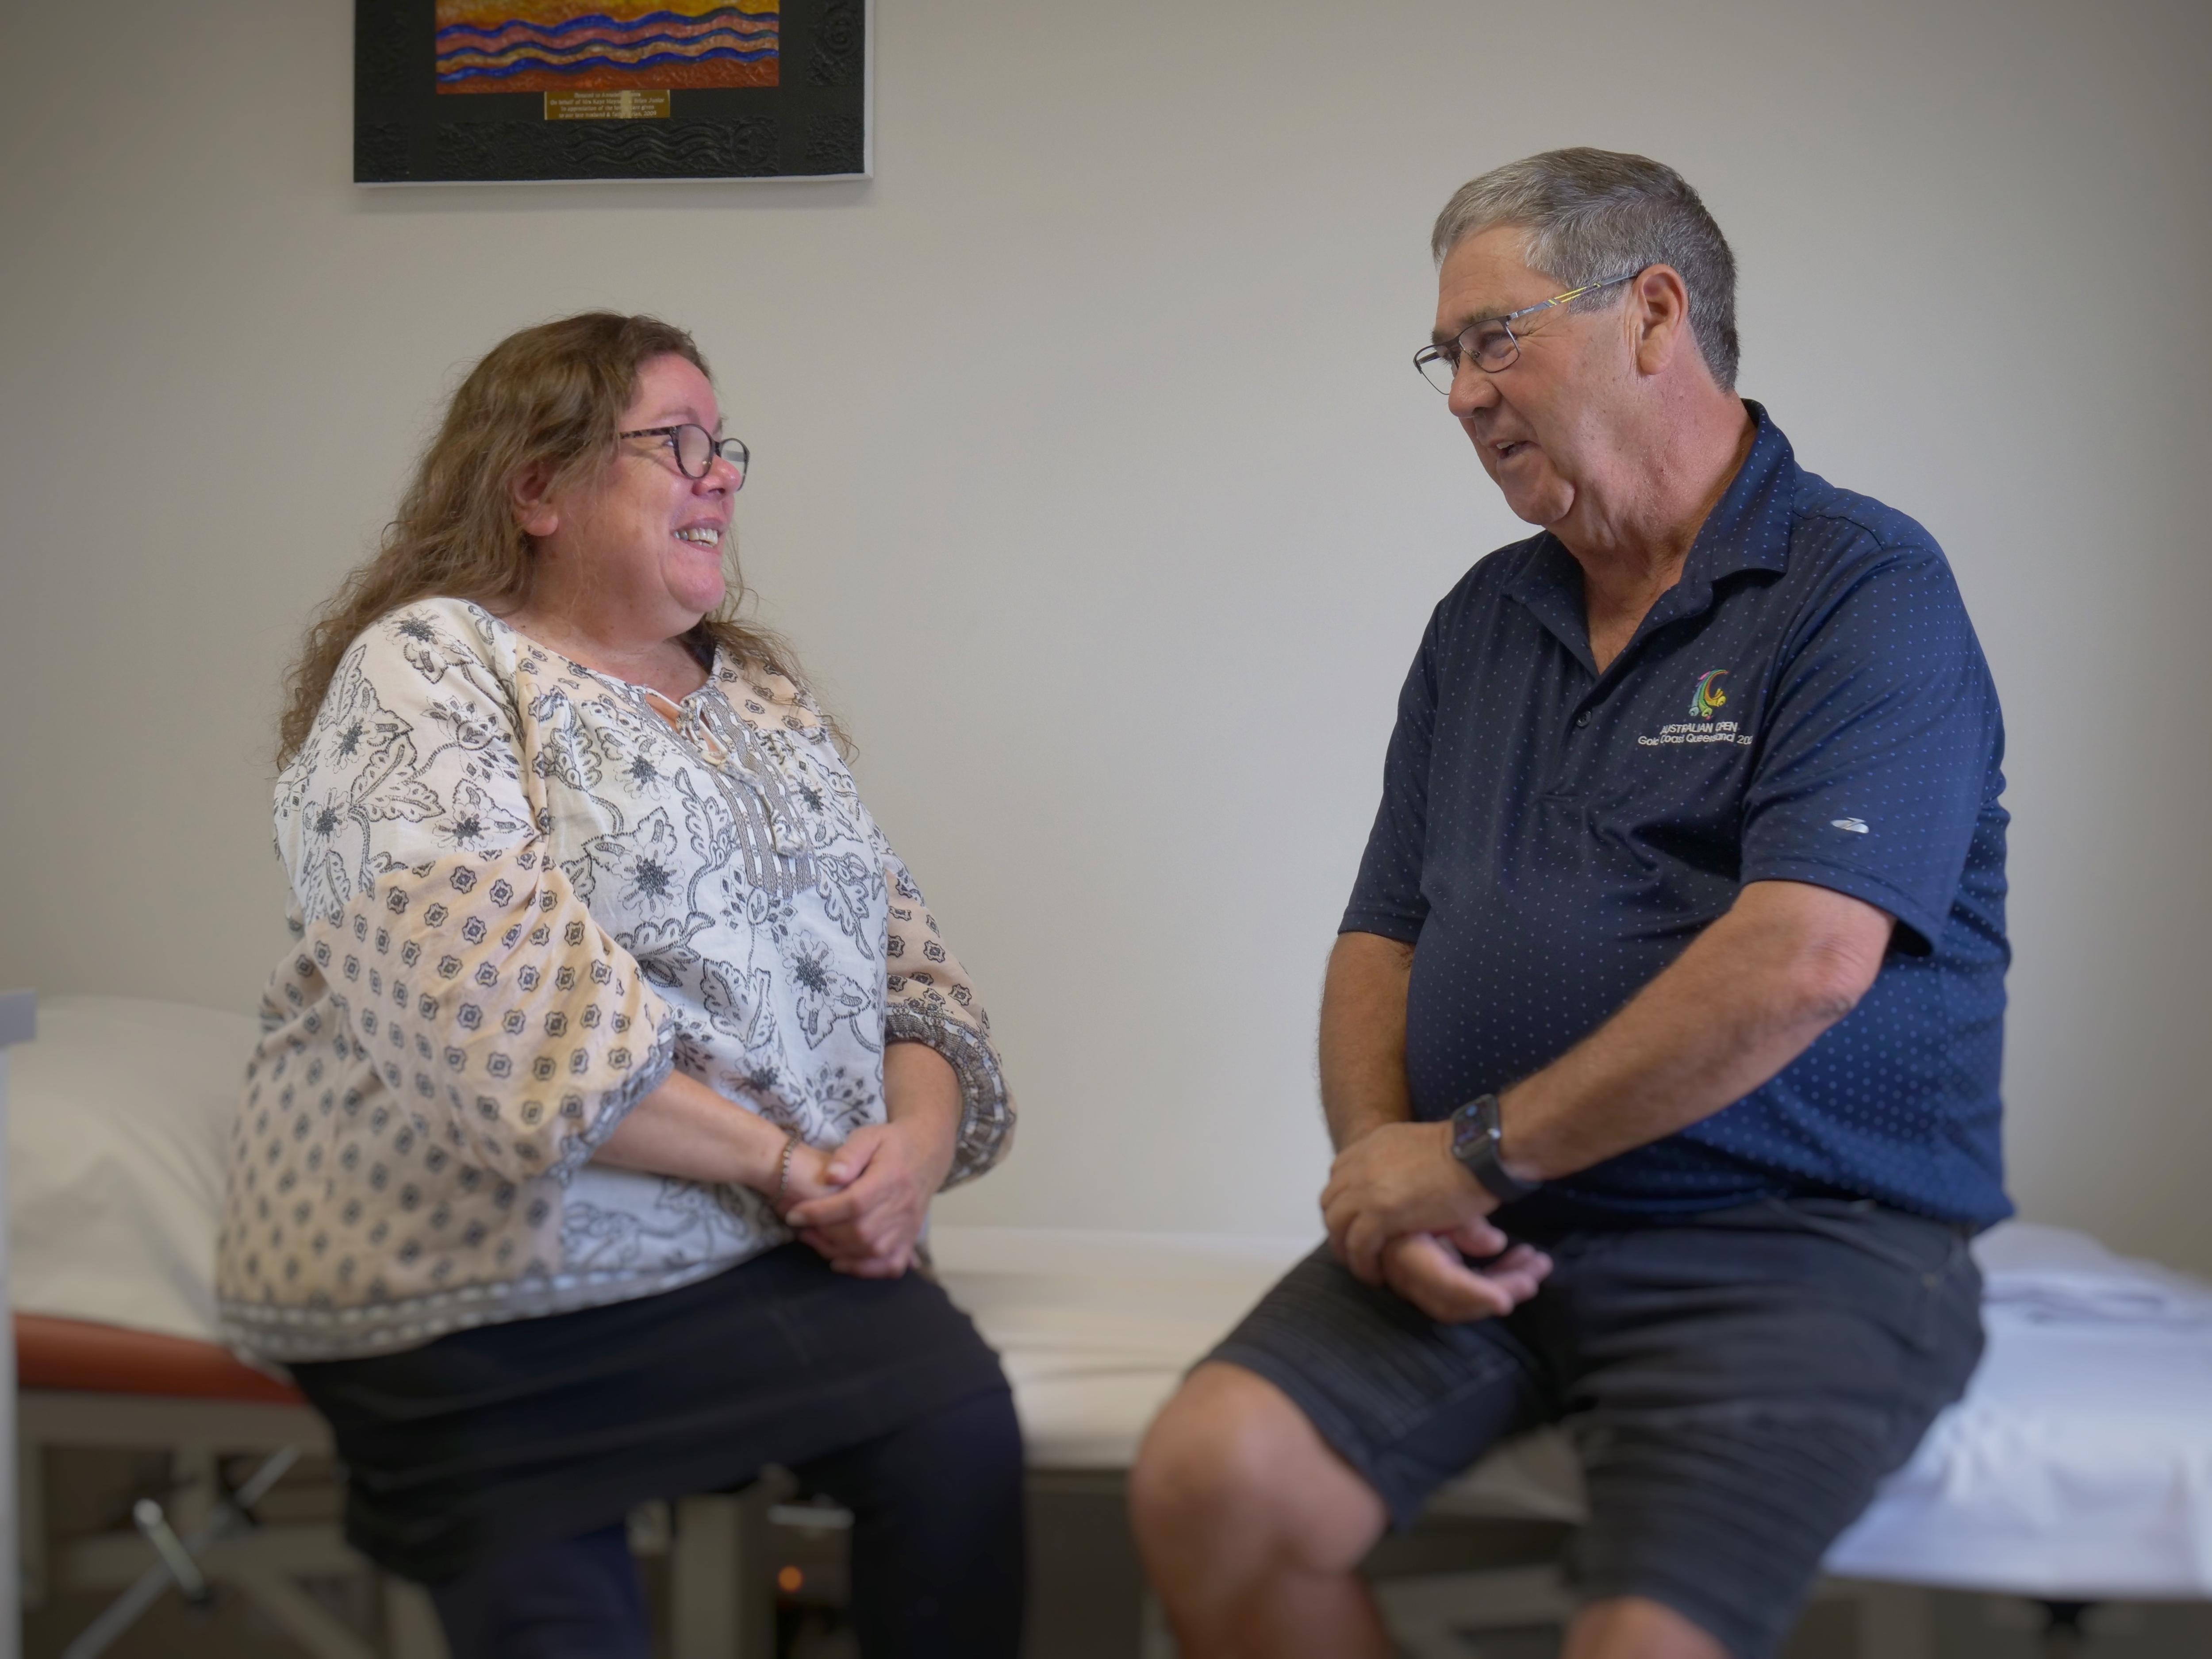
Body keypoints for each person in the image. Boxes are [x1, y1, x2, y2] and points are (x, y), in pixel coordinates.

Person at [1130, 149, 2008, 1659]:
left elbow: (1805, 960)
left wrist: (1465, 1153)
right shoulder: (1487, 619)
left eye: (1495, 338)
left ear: (1654, 314)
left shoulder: (1865, 589)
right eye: (1447, 356)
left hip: (1788, 1243)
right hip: (1495, 1222)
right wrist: (1387, 1174)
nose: (1464, 392)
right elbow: (1383, 932)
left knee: (1642, 1644)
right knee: (1216, 1483)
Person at [217, 312, 1024, 1658]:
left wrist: (911, 1160)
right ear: (536, 486)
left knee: (954, 1439)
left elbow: (911, 973)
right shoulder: (429, 667)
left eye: (727, 449)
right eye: (676, 445)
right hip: (481, 1275)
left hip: (776, 1240)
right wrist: (794, 1166)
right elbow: (498, 1023)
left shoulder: (759, 694)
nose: (723, 477)